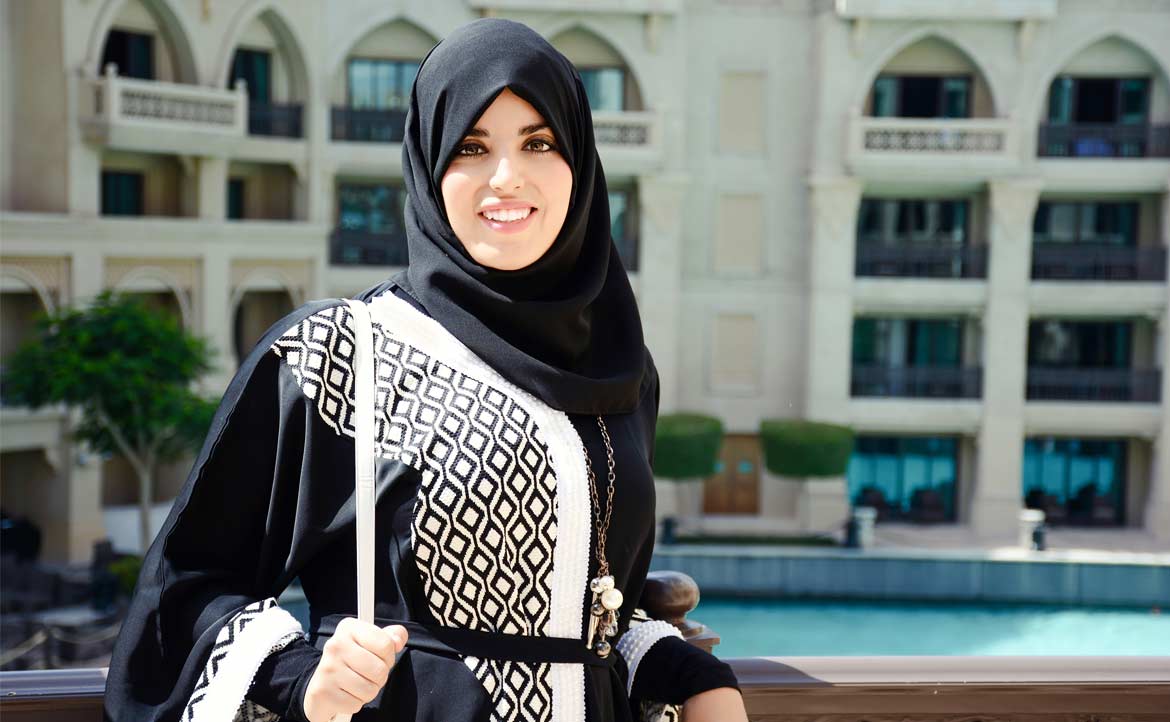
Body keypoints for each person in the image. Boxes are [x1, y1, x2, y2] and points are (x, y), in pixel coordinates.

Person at [102, 17, 745, 722]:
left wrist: (692, 676)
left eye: (538, 143)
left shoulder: (620, 369)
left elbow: (595, 606)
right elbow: (183, 588)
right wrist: (300, 675)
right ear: (430, 162)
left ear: (580, 163)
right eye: (472, 146)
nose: (507, 176)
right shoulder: (340, 352)